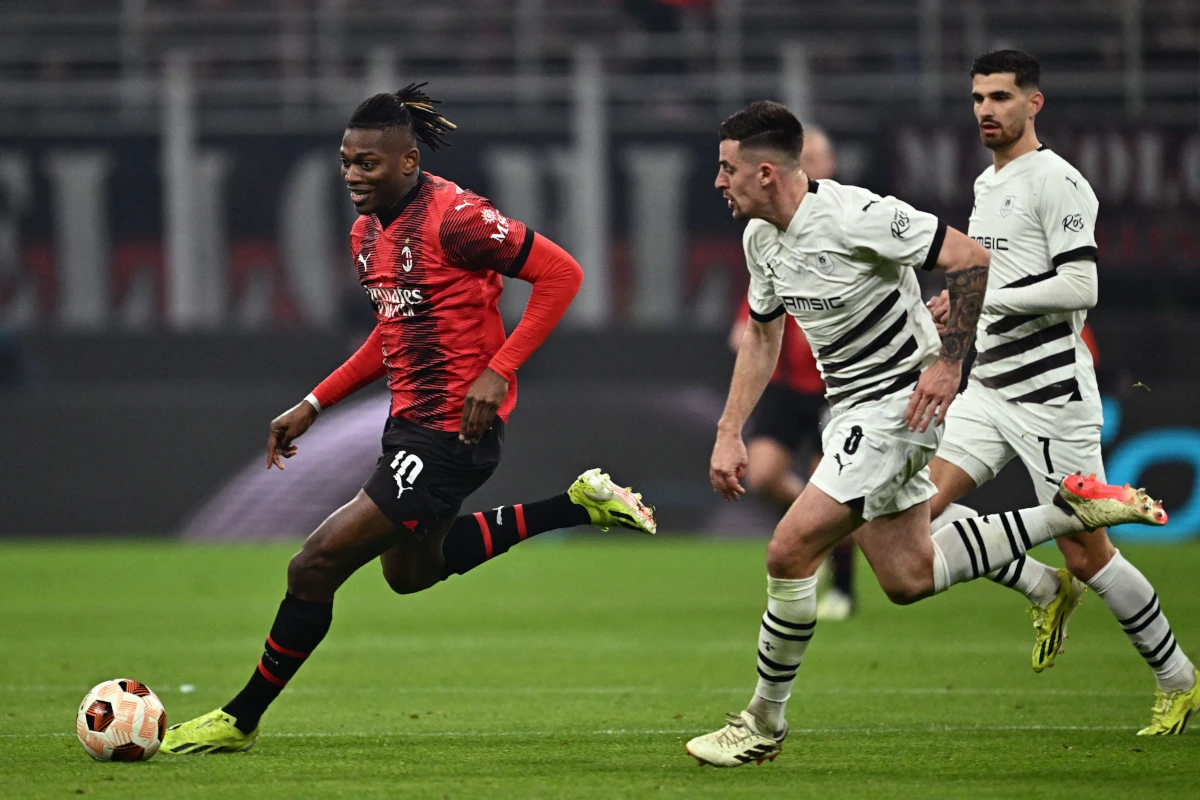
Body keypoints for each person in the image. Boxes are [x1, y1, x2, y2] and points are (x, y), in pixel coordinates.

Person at [161, 84, 656, 755]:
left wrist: (499, 368)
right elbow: (388, 338)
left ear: (407, 163)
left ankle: (240, 717)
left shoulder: (457, 219)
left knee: (313, 565)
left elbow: (562, 273)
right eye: (345, 161)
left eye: (367, 163)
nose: (352, 175)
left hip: (454, 430)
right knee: (409, 574)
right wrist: (314, 403)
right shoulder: (368, 234)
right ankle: (575, 505)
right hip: (409, 425)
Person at [685, 100, 1167, 767]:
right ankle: (1061, 530)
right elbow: (764, 333)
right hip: (850, 406)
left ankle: (762, 723)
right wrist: (729, 429)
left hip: (895, 406)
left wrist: (947, 363)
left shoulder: (859, 216)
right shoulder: (761, 239)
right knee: (907, 575)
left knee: (788, 550)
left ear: (766, 173)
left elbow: (969, 259)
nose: (718, 182)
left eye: (726, 168)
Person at [924, 50, 1198, 735]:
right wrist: (953, 304)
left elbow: (1082, 287)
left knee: (1089, 551)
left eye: (1001, 97)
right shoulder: (989, 185)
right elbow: (986, 278)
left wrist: (987, 297)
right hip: (988, 391)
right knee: (910, 516)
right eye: (979, 97)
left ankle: (1179, 679)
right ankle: (1038, 584)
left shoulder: (1059, 181)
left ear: (1033, 103)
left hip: (1053, 398)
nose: (986, 109)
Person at [726, 127, 857, 621]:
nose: (817, 164)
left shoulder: (849, 221)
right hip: (787, 385)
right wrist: (747, 333)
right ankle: (813, 537)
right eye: (809, 156)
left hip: (839, 385)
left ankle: (842, 587)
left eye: (822, 156)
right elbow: (751, 322)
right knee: (761, 477)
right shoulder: (770, 233)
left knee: (833, 484)